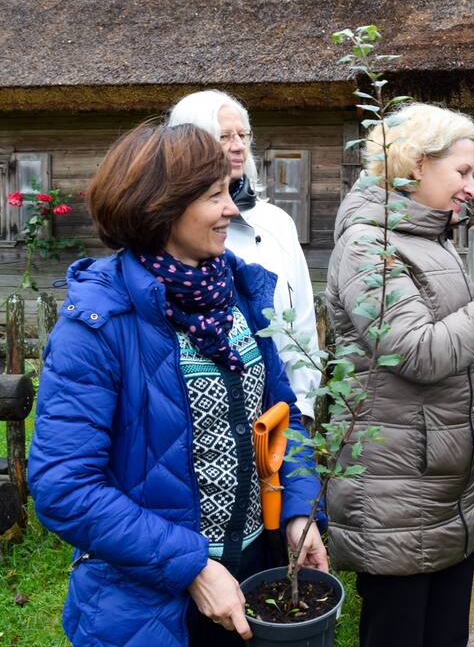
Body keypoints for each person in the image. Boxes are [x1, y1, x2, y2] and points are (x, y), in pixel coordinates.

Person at [28, 123, 328, 647]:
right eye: (214, 196)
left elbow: (282, 411)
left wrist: (300, 510)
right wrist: (191, 566)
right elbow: (63, 486)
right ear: (160, 208)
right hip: (147, 601)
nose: (232, 209)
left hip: (257, 574)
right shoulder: (99, 323)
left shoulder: (239, 294)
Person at [325, 102, 474, 647]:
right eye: (462, 172)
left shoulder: (430, 239)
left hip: (441, 487)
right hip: (395, 492)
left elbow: (424, 357)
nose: (472, 189)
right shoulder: (367, 246)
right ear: (415, 166)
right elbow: (416, 352)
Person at [169, 90, 321, 425]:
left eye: (243, 135)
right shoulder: (175, 234)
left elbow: (303, 326)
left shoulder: (277, 223)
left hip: (282, 417)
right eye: (224, 136)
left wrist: (302, 410)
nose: (238, 145)